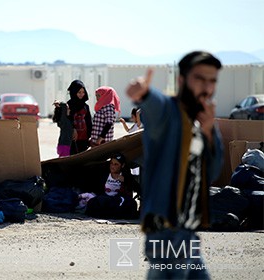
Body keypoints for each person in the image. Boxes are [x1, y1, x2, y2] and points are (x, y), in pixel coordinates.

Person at [126, 51, 224, 279]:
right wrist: (145, 94)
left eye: (212, 81)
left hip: (187, 232)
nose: (207, 87)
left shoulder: (201, 123)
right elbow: (156, 106)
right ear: (182, 80)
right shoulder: (170, 113)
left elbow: (213, 171)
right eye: (200, 78)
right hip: (166, 232)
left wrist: (210, 131)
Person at [85, 153, 139, 219]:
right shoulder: (105, 175)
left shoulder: (126, 176)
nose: (112, 166)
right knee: (96, 201)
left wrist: (125, 180)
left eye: (116, 164)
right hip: (105, 200)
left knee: (131, 203)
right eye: (111, 163)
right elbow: (97, 190)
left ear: (122, 165)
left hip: (118, 201)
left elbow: (138, 188)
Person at [66, 80, 92, 155]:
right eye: (79, 92)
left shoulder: (85, 106)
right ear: (74, 92)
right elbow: (66, 120)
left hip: (84, 139)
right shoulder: (68, 105)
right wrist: (72, 129)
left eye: (83, 92)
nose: (81, 94)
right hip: (72, 139)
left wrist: (90, 137)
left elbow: (89, 122)